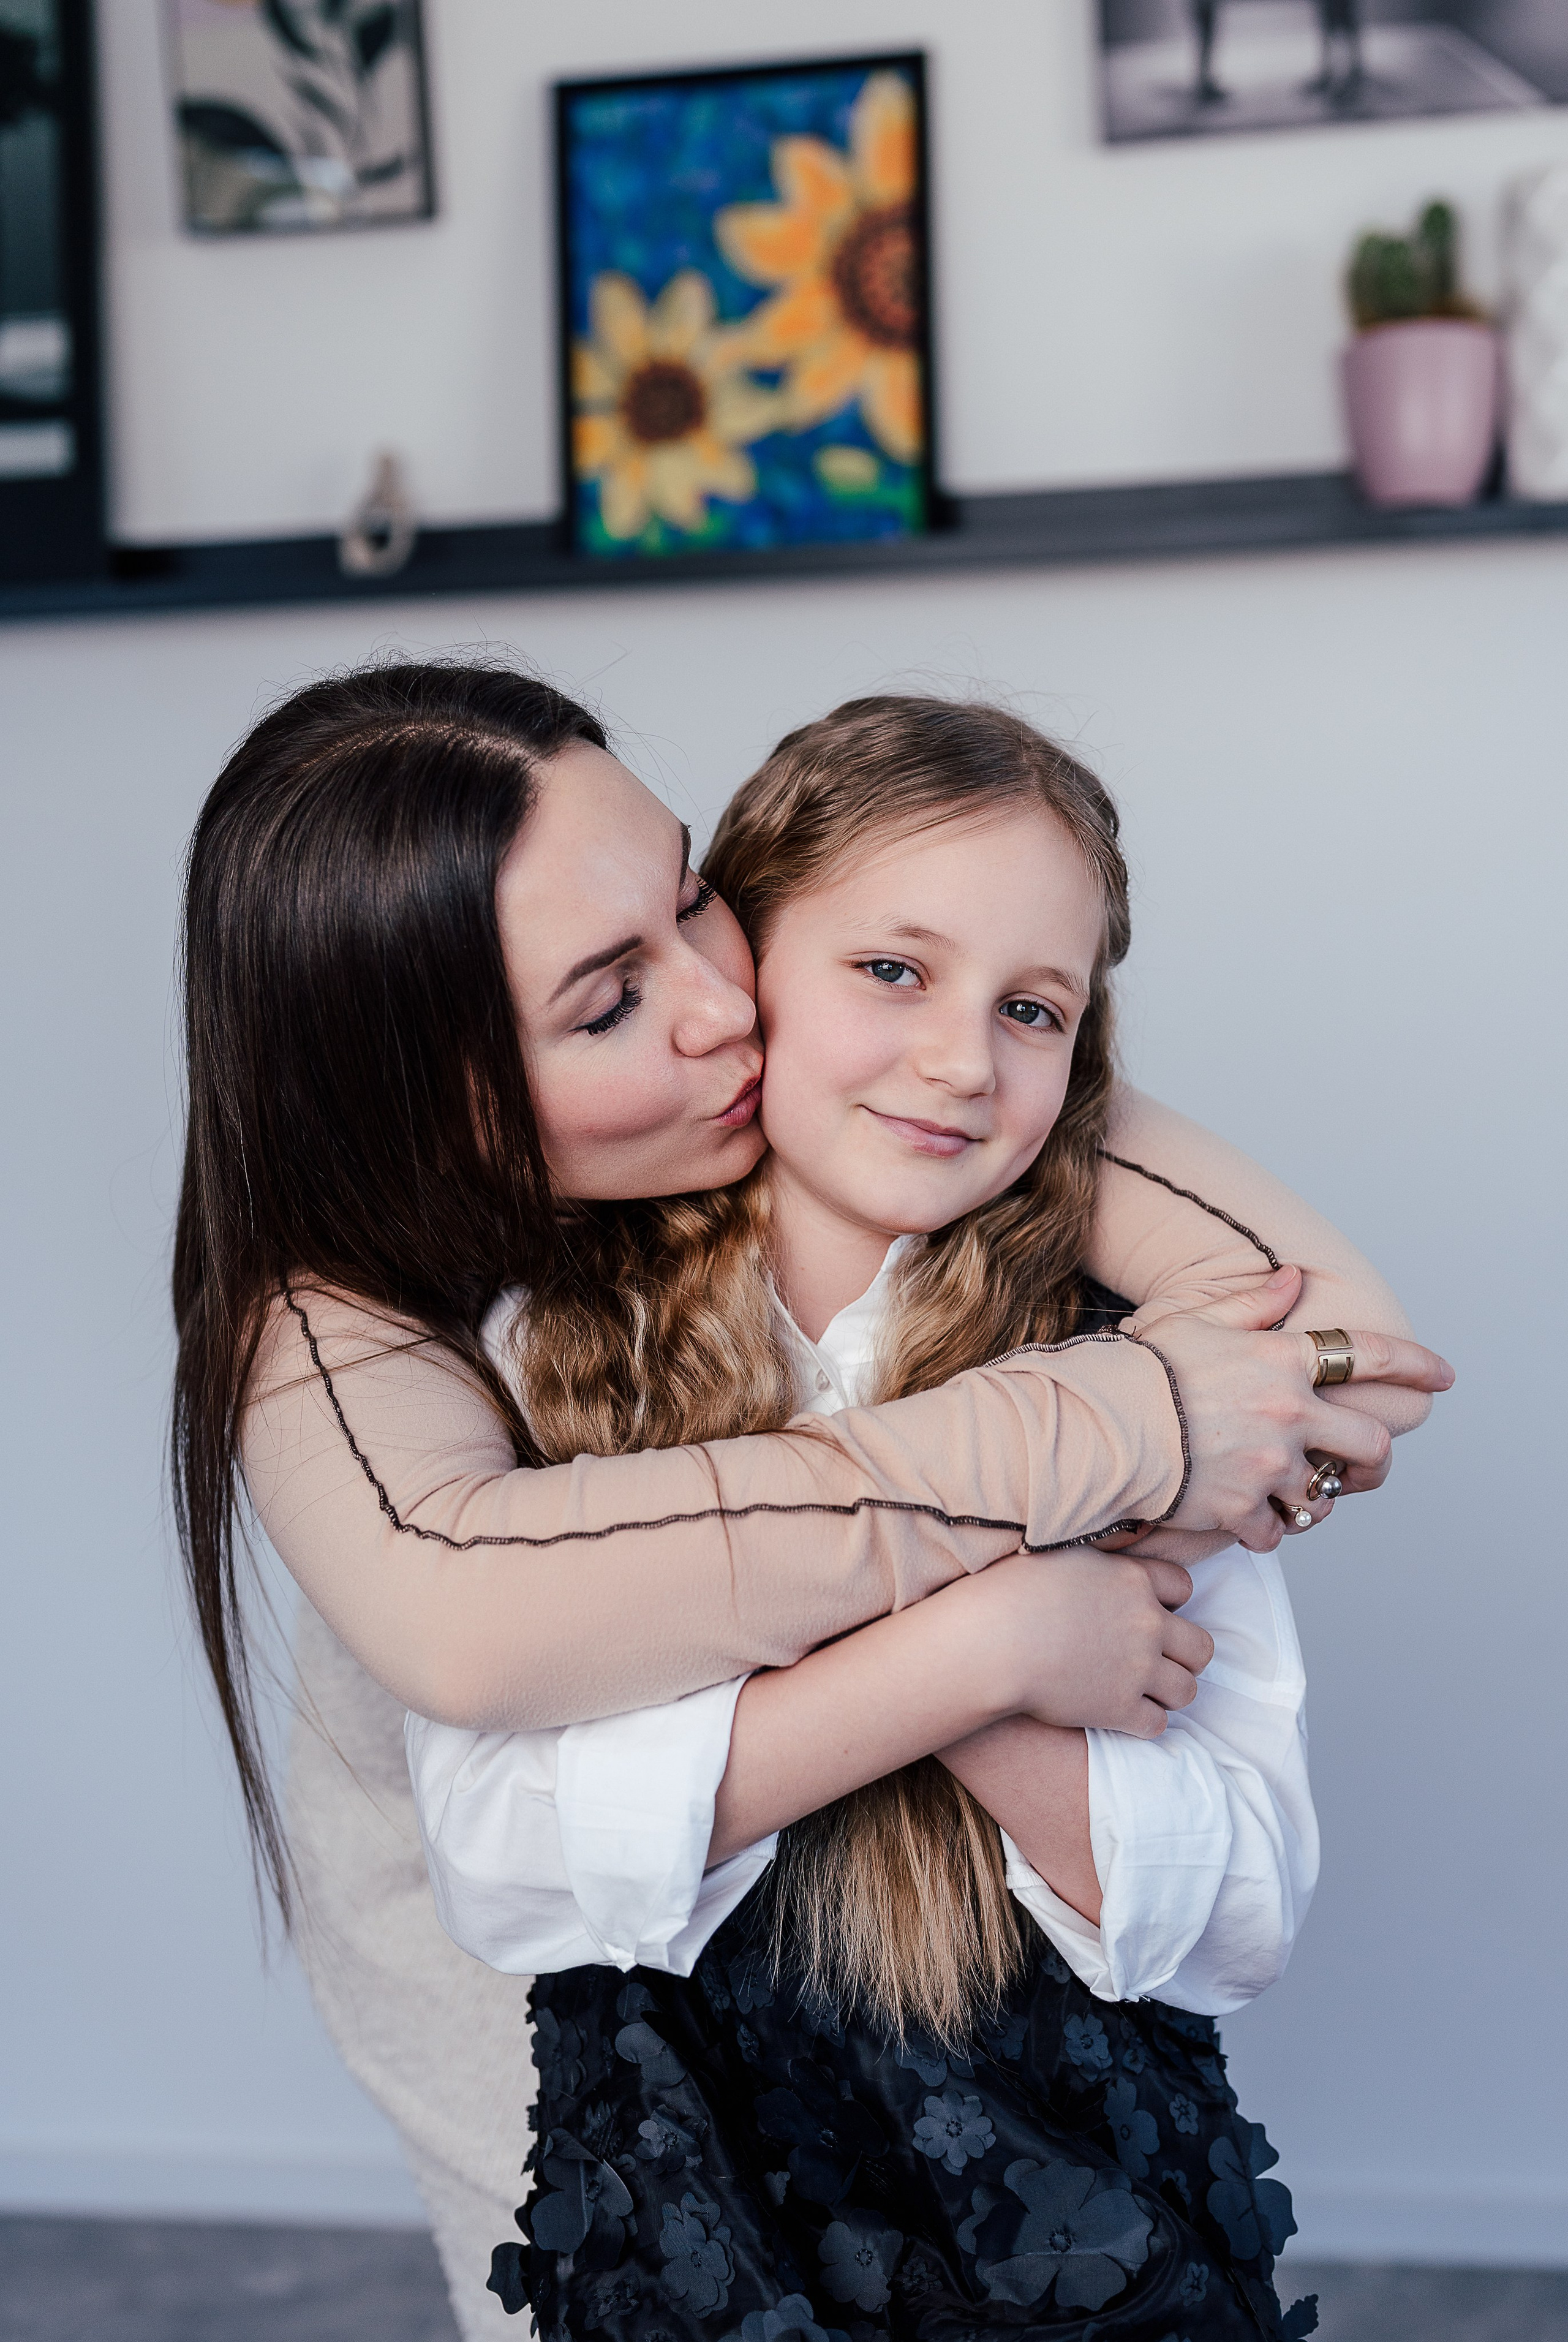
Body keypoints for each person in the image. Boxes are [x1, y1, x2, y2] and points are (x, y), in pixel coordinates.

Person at [170, 662, 1449, 2338]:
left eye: (698, 896)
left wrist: (980, 1047)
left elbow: (1334, 1370)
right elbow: (493, 1709)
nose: (719, 1002)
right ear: (447, 1103)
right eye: (608, 996)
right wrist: (1043, 1545)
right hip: (561, 2071)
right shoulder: (389, 1348)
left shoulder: (876, 1108)